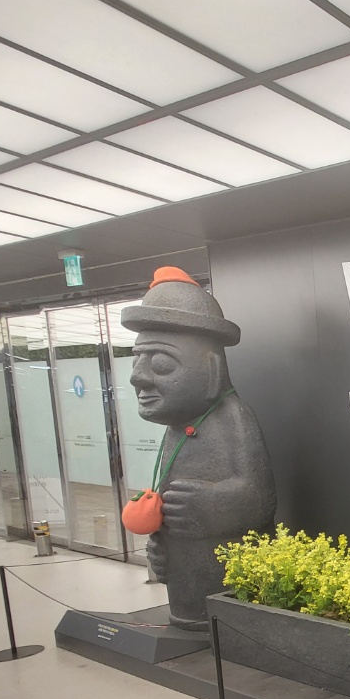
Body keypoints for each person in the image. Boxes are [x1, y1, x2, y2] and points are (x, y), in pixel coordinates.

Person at [122, 266, 275, 629]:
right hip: (185, 587)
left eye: (159, 363)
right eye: (137, 359)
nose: (138, 376)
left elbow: (260, 499)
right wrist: (160, 539)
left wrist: (211, 503)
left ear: (210, 369)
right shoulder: (176, 428)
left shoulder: (234, 418)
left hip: (225, 579)